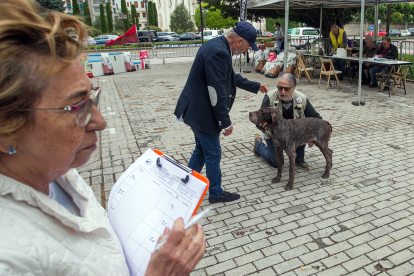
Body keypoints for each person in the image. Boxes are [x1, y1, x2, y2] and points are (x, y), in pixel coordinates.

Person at [0, 0, 205, 275]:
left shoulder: (57, 172)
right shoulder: (11, 260)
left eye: (92, 97)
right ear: (7, 128)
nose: (100, 121)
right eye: (77, 107)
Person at [174, 21, 268, 204]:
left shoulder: (217, 46)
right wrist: (225, 122)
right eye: (248, 46)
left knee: (201, 150)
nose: (247, 50)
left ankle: (184, 182)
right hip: (202, 113)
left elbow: (229, 76)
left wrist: (255, 86)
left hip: (195, 110)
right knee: (213, 153)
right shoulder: (219, 52)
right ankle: (216, 192)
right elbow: (215, 92)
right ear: (239, 41)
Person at [253, 73, 322, 170]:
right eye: (279, 88)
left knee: (302, 129)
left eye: (286, 89)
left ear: (293, 88)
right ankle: (259, 145)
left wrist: (321, 132)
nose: (282, 91)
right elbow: (258, 121)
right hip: (273, 135)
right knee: (276, 163)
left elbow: (316, 118)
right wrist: (262, 126)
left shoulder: (301, 99)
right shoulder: (269, 97)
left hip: (294, 135)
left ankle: (299, 159)